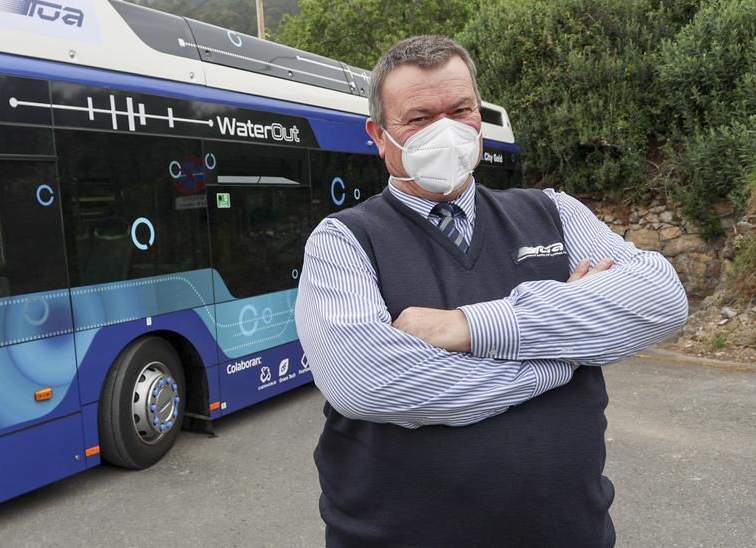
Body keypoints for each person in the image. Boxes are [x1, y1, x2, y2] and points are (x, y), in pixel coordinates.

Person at [294, 35, 688, 547]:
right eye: (418, 118)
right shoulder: (343, 240)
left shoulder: (553, 210)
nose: (446, 130)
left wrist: (467, 327)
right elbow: (368, 381)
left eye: (461, 109)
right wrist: (564, 356)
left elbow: (660, 298)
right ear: (379, 134)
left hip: (571, 532)